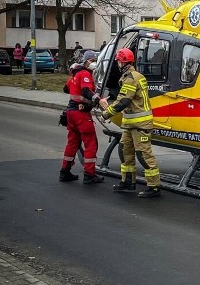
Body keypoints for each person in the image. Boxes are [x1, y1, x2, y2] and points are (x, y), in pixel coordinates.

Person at [99, 47, 161, 198]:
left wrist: (106, 114)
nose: (117, 64)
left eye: (118, 62)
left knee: (144, 155)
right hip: (131, 124)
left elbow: (123, 101)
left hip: (140, 125)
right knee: (125, 151)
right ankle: (128, 182)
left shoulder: (132, 78)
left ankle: (154, 187)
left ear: (122, 62)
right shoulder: (131, 76)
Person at [59, 51, 103, 184]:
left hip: (71, 113)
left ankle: (64, 172)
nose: (94, 62)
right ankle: (89, 174)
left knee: (72, 143)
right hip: (81, 113)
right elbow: (85, 91)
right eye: (92, 59)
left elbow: (65, 89)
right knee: (91, 143)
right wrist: (98, 99)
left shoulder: (75, 74)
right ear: (86, 61)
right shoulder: (84, 74)